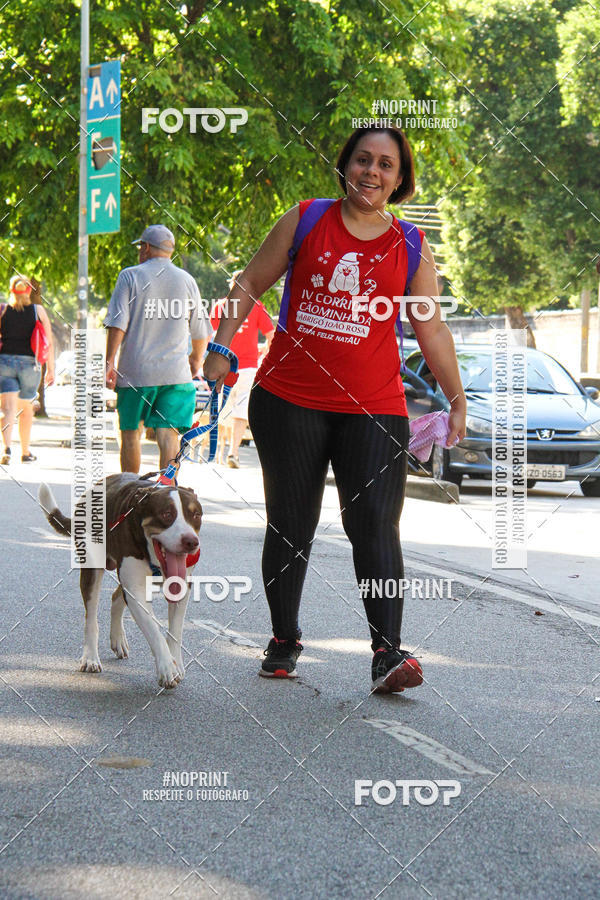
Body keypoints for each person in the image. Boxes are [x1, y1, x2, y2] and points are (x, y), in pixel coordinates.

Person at [204, 126, 467, 693]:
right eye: (363, 159)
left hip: (374, 409)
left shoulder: (410, 244)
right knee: (291, 523)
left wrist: (457, 397)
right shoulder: (306, 218)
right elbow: (249, 282)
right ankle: (284, 638)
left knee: (375, 525)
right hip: (288, 400)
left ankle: (387, 653)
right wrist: (222, 347)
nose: (372, 171)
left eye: (386, 165)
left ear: (400, 179)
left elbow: (432, 328)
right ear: (345, 165)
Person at [105, 224, 212, 474]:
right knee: (168, 435)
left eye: (140, 247)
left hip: (135, 374)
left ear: (145, 248)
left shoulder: (129, 276)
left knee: (131, 434)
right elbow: (201, 331)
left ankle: (132, 489)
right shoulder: (187, 280)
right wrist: (196, 361)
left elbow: (118, 323)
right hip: (176, 375)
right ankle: (167, 491)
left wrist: (109, 361)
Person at [210, 271, 275, 467]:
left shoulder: (220, 306)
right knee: (240, 410)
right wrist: (264, 353)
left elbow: (210, 335)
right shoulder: (256, 306)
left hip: (224, 366)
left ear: (231, 285)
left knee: (222, 409)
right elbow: (271, 335)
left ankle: (219, 452)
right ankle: (233, 452)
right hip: (247, 367)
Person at [0, 275, 54, 465]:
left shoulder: (3, 310)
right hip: (30, 366)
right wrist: (51, 369)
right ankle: (25, 452)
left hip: (5, 363)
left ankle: (6, 449)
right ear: (29, 290)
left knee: (7, 409)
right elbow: (48, 341)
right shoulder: (38, 311)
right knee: (25, 411)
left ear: (11, 290)